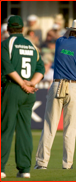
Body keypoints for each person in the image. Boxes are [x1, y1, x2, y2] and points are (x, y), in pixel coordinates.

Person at [34, 12, 76, 170]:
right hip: (75, 88)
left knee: (49, 126)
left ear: (72, 31)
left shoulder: (61, 42)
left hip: (57, 85)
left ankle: (41, 163)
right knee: (70, 129)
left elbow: (67, 35)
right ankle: (67, 165)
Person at [1, 15, 45, 179]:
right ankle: (25, 169)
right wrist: (31, 84)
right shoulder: (32, 45)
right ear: (23, 28)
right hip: (29, 93)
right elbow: (41, 68)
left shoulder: (6, 44)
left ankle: (1, 168)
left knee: (6, 129)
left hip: (13, 89)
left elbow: (8, 68)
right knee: (25, 131)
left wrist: (22, 84)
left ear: (8, 29)